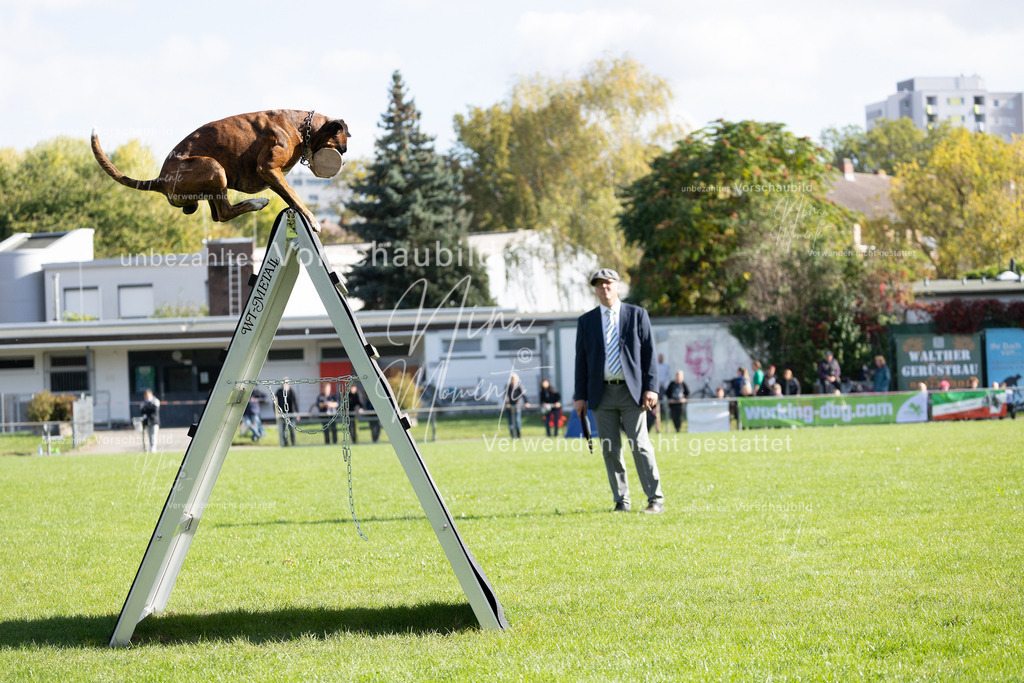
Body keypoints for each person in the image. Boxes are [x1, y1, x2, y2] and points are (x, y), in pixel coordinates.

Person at [574, 268, 664, 514]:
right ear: (595, 289)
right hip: (600, 393)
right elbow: (580, 360)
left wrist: (651, 388)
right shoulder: (586, 321)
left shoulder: (637, 315)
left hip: (633, 392)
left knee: (640, 445)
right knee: (610, 448)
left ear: (618, 286)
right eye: (599, 284)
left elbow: (649, 354)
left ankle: (655, 498)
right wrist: (579, 396)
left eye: (609, 283)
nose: (604, 288)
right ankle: (621, 500)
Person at [504, 372, 529, 439]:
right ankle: (512, 435)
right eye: (512, 379)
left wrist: (526, 402)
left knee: (517, 421)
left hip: (517, 407)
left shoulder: (520, 386)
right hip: (509, 407)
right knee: (511, 422)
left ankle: (518, 435)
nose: (514, 380)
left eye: (515, 379)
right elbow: (506, 396)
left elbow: (523, 395)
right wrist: (507, 403)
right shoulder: (508, 386)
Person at [275, 379, 298, 447]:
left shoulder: (292, 392)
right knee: (284, 430)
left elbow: (295, 402)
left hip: (291, 414)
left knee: (292, 429)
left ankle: (293, 443)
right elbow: (275, 403)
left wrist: (297, 412)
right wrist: (277, 413)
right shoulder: (279, 392)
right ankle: (286, 443)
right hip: (282, 414)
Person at [140, 389, 160, 453]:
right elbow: (142, 411)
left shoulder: (155, 401)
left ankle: (153, 449)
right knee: (149, 436)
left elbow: (155, 409)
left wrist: (147, 408)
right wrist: (148, 408)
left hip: (154, 421)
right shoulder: (143, 402)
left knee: (154, 435)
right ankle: (150, 448)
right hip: (147, 422)